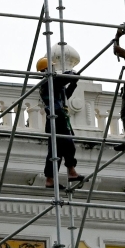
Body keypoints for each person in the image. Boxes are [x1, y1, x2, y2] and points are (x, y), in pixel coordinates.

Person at [37, 56, 84, 188]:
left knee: (55, 152)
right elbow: (63, 79)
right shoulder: (48, 83)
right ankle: (71, 172)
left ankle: (50, 179)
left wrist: (73, 83)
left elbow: (65, 95)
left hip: (59, 118)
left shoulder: (54, 85)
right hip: (57, 118)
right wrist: (71, 74)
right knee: (68, 145)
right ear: (46, 69)